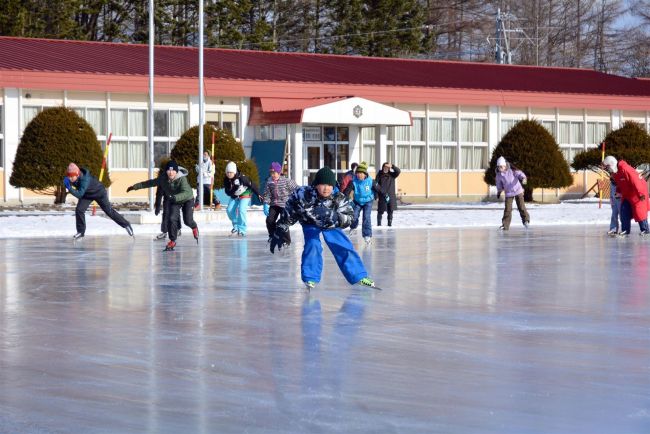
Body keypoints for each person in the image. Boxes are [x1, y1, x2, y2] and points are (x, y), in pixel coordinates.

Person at [269, 166, 375, 290]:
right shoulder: (303, 195)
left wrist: (334, 217)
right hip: (310, 223)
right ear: (316, 184)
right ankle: (310, 278)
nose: (326, 189)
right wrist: (281, 227)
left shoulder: (338, 198)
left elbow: (350, 217)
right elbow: (290, 210)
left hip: (331, 224)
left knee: (342, 245)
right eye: (323, 185)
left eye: (329, 185)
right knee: (312, 245)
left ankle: (359, 276)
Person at [127, 160, 199, 251]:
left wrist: (174, 198)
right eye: (169, 170)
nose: (171, 173)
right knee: (172, 218)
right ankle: (172, 240)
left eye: (173, 170)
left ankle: (194, 227)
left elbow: (186, 192)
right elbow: (150, 183)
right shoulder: (163, 178)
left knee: (188, 221)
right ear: (166, 171)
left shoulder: (182, 179)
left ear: (176, 171)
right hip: (175, 200)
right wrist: (135, 187)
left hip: (187, 199)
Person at [64, 163, 133, 240]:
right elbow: (79, 190)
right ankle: (80, 232)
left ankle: (126, 225)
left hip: (99, 193)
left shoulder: (85, 180)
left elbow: (79, 194)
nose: (70, 178)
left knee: (109, 211)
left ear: (77, 174)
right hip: (87, 195)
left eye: (71, 176)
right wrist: (68, 185)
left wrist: (69, 188)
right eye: (68, 176)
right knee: (79, 210)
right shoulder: (74, 177)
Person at [601, 155, 649, 237]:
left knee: (639, 211)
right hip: (627, 194)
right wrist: (618, 192)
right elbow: (619, 184)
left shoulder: (626, 169)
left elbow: (636, 181)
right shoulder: (616, 173)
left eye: (607, 167)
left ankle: (645, 230)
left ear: (611, 164)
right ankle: (625, 230)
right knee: (624, 211)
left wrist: (640, 194)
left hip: (638, 193)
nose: (608, 170)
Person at [343, 161, 386, 244]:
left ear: (365, 174)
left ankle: (367, 235)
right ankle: (353, 226)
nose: (359, 175)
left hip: (368, 201)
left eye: (361, 173)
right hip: (357, 201)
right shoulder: (353, 182)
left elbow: (379, 189)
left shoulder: (371, 181)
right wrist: (343, 198)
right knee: (354, 216)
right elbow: (347, 191)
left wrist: (385, 196)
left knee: (366, 217)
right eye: (357, 173)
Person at [262, 161, 298, 242]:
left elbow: (297, 189)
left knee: (283, 222)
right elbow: (267, 194)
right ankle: (272, 235)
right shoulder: (269, 181)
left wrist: (295, 200)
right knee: (269, 220)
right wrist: (265, 203)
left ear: (279, 172)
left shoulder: (287, 181)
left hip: (285, 204)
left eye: (274, 173)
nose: (272, 175)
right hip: (274, 204)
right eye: (271, 173)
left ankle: (286, 240)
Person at [224, 161, 262, 237]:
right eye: (227, 172)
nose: (229, 174)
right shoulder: (226, 179)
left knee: (241, 210)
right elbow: (227, 192)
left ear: (234, 172)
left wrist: (258, 194)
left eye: (231, 172)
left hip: (245, 194)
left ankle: (242, 229)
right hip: (235, 195)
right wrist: (234, 189)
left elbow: (252, 185)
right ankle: (236, 226)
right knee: (229, 210)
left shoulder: (242, 178)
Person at [495, 156, 530, 230]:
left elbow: (519, 173)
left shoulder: (511, 170)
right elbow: (499, 184)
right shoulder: (498, 175)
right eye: (499, 167)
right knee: (507, 209)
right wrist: (499, 191)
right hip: (508, 193)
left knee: (521, 206)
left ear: (505, 166)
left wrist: (523, 178)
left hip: (518, 190)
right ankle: (505, 225)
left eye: (502, 166)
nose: (500, 168)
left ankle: (526, 220)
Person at [375, 162, 401, 227]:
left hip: (391, 195)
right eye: (385, 167)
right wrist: (376, 196)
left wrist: (392, 166)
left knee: (390, 210)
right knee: (380, 210)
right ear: (383, 167)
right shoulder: (379, 175)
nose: (386, 168)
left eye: (387, 167)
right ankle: (379, 224)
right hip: (382, 195)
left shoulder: (392, 175)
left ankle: (390, 224)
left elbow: (398, 171)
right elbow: (375, 186)